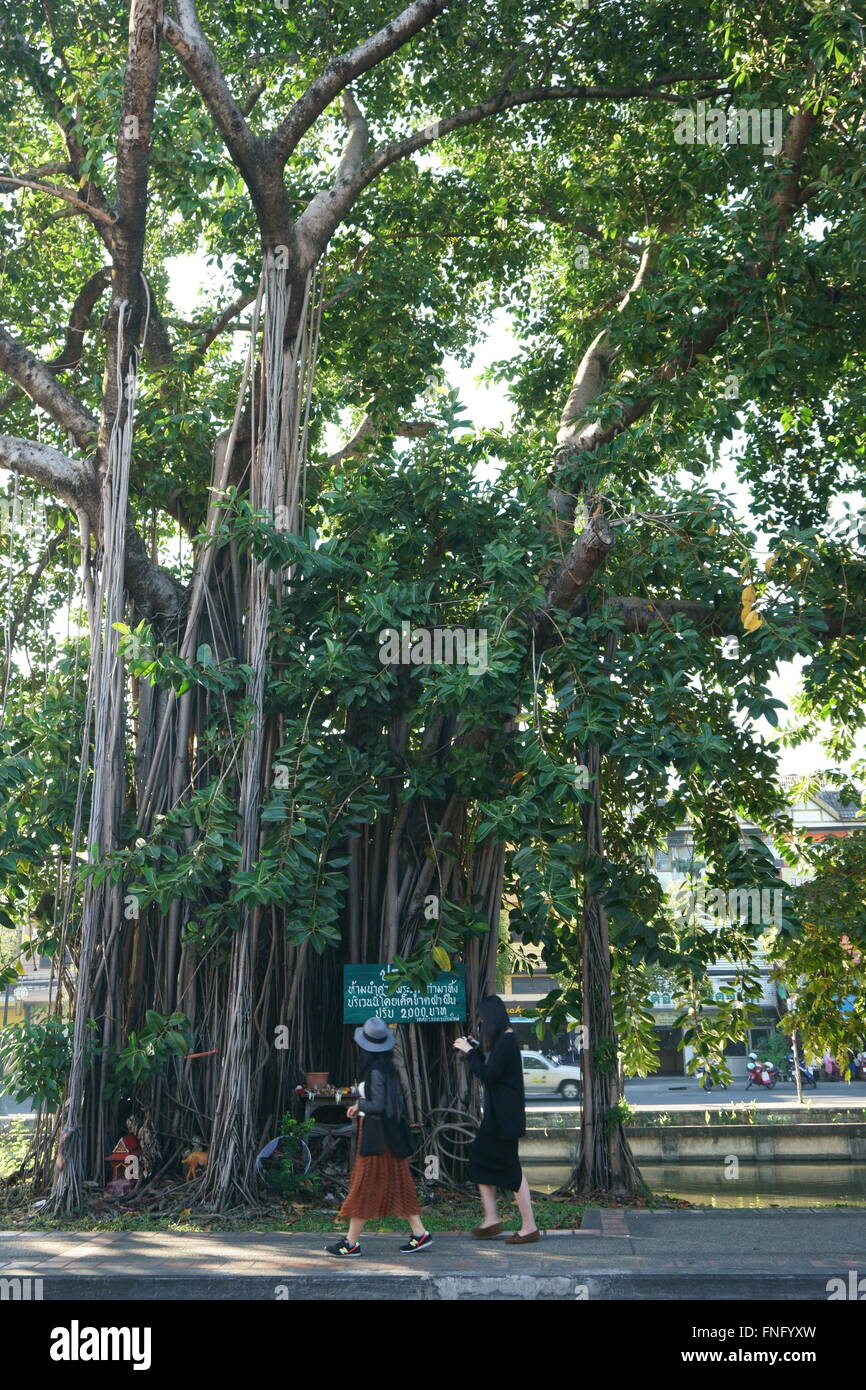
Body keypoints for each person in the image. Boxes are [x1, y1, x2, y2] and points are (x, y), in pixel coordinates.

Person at [326, 1016, 431, 1259]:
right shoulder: (387, 1067)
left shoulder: (375, 1071)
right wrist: (361, 1105)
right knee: (399, 1184)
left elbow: (378, 1104)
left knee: (363, 1186)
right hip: (388, 1134)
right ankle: (420, 1233)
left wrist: (359, 1105)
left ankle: (351, 1243)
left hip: (376, 1135)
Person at [454, 994, 539, 1244]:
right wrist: (475, 1048)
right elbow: (489, 1069)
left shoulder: (507, 1041)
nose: (480, 1025)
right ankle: (491, 1219)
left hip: (505, 1118)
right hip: (496, 1116)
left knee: (512, 1170)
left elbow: (488, 1075)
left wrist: (471, 1052)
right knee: (480, 1160)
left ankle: (529, 1227)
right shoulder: (501, 1041)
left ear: (490, 1018)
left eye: (481, 1021)